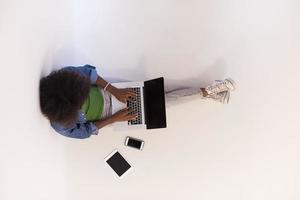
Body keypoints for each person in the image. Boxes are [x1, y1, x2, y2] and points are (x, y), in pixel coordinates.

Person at [39, 65, 235, 139]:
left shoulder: (65, 78)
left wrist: (114, 90)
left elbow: (90, 74)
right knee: (162, 102)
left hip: (113, 91)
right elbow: (86, 131)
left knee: (161, 96)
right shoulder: (61, 125)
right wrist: (115, 118)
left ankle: (209, 92)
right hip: (113, 116)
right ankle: (209, 92)